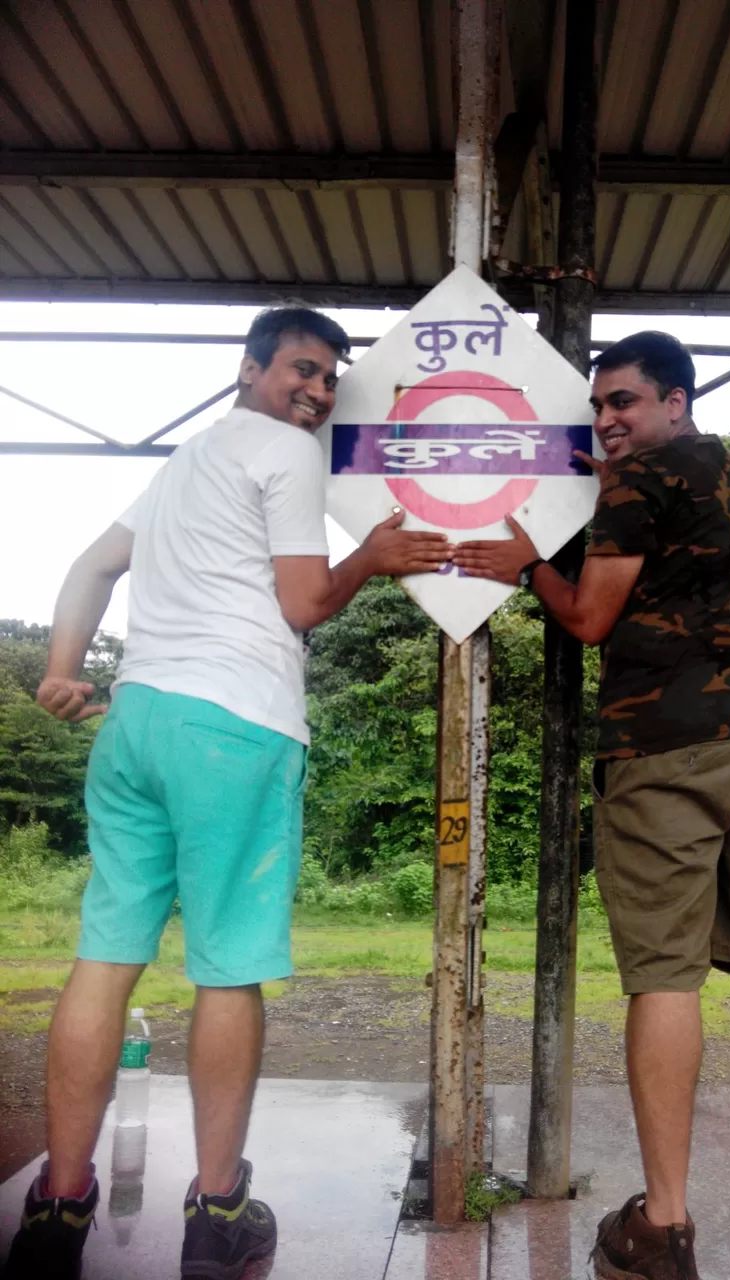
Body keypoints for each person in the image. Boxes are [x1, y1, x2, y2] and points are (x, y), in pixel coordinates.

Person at [5, 306, 451, 1280]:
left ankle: (58, 1208)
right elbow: (302, 604)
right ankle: (218, 1212)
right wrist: (372, 556)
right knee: (227, 968)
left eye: (330, 377)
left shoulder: (182, 462)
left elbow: (90, 564)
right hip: (234, 723)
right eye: (303, 367)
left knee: (103, 960)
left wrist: (61, 667)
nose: (319, 391)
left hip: (134, 722)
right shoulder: (285, 453)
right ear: (248, 367)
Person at [453, 331, 730, 1280]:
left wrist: (526, 561)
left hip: (670, 753)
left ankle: (664, 1227)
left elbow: (590, 617)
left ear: (677, 400)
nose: (609, 421)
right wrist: (605, 477)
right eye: (600, 407)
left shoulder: (638, 485)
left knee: (665, 977)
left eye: (625, 402)